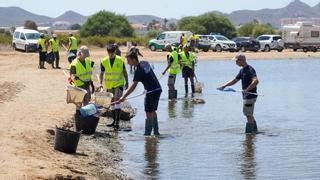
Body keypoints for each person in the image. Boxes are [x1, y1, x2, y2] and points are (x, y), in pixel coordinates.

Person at [116, 51, 162, 136]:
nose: (127, 62)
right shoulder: (144, 63)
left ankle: (147, 135)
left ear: (134, 59)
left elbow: (133, 86)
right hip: (158, 89)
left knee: (148, 112)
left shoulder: (138, 70)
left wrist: (123, 97)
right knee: (153, 111)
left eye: (128, 60)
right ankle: (156, 132)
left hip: (151, 92)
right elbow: (149, 75)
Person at [218, 54, 259, 134]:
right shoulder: (242, 70)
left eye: (236, 61)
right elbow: (234, 80)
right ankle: (255, 131)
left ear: (241, 60)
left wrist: (247, 89)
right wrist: (224, 86)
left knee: (248, 115)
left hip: (250, 95)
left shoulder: (250, 69)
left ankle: (248, 134)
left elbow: (256, 81)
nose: (235, 62)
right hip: (246, 96)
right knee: (249, 114)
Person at [99, 44, 129, 129]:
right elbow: (102, 73)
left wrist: (127, 82)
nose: (111, 54)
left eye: (112, 53)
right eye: (109, 53)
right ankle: (113, 120)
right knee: (112, 102)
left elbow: (124, 72)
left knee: (117, 100)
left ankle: (117, 121)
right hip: (109, 85)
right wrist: (100, 83)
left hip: (119, 84)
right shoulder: (104, 61)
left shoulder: (120, 60)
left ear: (115, 52)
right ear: (107, 52)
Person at [69, 46, 94, 114]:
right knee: (79, 103)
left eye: (86, 55)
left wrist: (92, 84)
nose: (85, 57)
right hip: (79, 86)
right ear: (79, 53)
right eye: (84, 55)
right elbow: (72, 76)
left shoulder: (88, 61)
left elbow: (89, 73)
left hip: (87, 85)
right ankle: (78, 116)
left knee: (87, 100)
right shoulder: (74, 64)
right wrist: (80, 80)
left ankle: (85, 115)